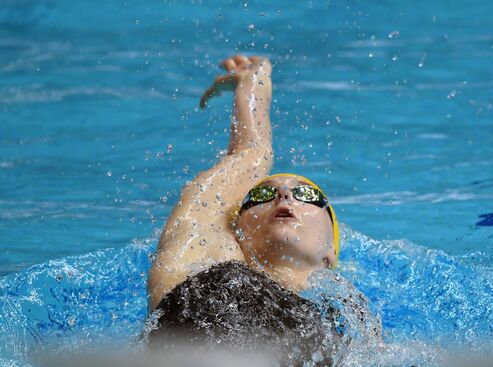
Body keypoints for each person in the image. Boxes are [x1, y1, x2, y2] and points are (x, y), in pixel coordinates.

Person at [145, 55, 368, 365]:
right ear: (237, 230)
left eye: (307, 194)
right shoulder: (202, 261)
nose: (283, 193)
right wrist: (254, 81)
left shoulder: (348, 326)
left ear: (331, 250)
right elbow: (251, 154)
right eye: (262, 193)